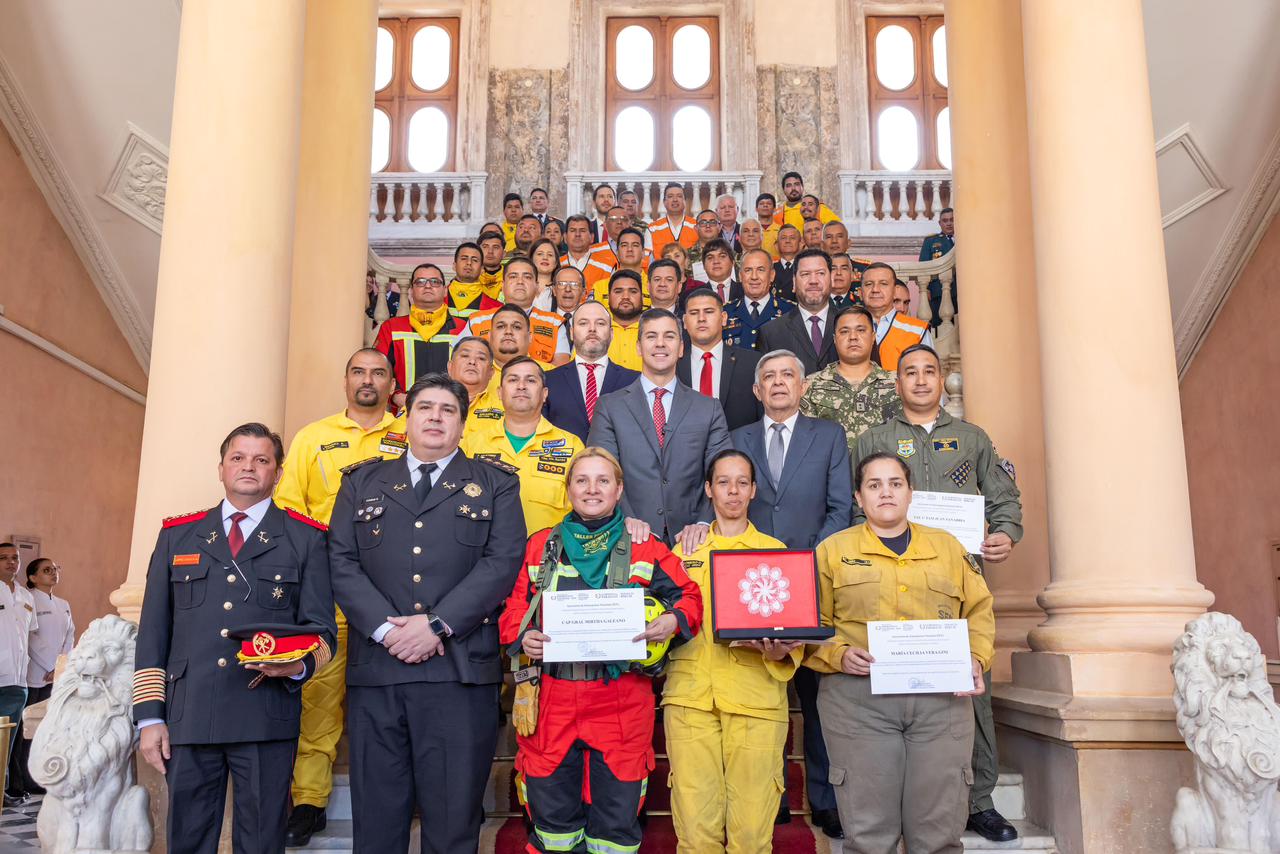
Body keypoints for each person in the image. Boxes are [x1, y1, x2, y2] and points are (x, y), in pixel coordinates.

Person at [329, 374, 525, 854]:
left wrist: (437, 625)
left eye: (447, 410)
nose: (435, 417)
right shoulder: (362, 482)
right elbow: (340, 561)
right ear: (406, 417)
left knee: (453, 821)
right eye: (425, 407)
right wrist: (385, 630)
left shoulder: (496, 484)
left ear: (463, 423)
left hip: (458, 675)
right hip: (379, 671)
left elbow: (502, 563)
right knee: (377, 823)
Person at [134, 423, 337, 854]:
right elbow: (153, 632)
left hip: (265, 713)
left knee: (261, 841)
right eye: (238, 458)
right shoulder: (178, 535)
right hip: (190, 713)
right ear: (221, 468)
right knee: (188, 839)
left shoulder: (306, 538)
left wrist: (297, 666)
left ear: (277, 473)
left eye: (262, 460)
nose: (249, 467)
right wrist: (150, 718)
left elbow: (324, 635)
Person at [854, 344, 1023, 844]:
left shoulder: (972, 438)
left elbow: (1003, 497)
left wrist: (1005, 533)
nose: (922, 379)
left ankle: (979, 801)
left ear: (941, 379)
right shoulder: (875, 440)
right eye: (910, 372)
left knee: (969, 685)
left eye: (930, 370)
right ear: (897, 382)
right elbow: (853, 502)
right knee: (896, 689)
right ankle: (902, 802)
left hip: (956, 582)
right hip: (889, 578)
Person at [500, 448, 702, 854]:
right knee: (552, 824)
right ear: (568, 489)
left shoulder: (646, 546)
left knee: (615, 826)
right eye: (582, 480)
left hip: (622, 702)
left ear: (619, 490)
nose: (592, 489)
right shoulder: (540, 546)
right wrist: (523, 635)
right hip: (552, 700)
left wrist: (671, 621)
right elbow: (513, 607)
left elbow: (690, 597)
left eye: (603, 480)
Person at [806, 452, 994, 853]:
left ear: (911, 493)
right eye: (874, 485)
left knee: (938, 832)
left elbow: (979, 610)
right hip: (858, 702)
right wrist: (838, 654)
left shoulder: (947, 547)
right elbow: (811, 626)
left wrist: (977, 658)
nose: (886, 492)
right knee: (869, 834)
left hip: (941, 704)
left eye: (895, 483)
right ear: (859, 498)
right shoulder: (832, 551)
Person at [273, 348, 406, 845]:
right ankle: (309, 801)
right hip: (327, 591)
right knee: (318, 697)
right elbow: (289, 511)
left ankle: (407, 791)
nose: (367, 380)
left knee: (398, 700)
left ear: (392, 383)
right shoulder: (313, 437)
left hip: (394, 595)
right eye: (358, 372)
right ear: (346, 380)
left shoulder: (409, 432)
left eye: (378, 373)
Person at [727, 349, 854, 838]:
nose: (778, 383)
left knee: (817, 697)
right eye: (769, 377)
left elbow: (840, 508)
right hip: (751, 585)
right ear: (756, 390)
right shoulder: (737, 438)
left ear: (802, 387)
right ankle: (770, 795)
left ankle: (824, 800)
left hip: (812, 582)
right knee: (762, 693)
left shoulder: (829, 436)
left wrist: (805, 566)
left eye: (787, 375)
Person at [664, 450, 802, 853]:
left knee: (752, 831)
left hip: (756, 700)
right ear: (709, 489)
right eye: (723, 482)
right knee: (695, 828)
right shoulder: (683, 552)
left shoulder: (776, 552)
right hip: (691, 698)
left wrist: (779, 653)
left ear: (754, 490)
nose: (733, 491)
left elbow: (795, 633)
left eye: (742, 482)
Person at [587, 308, 732, 546]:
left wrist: (704, 522)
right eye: (651, 336)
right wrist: (626, 518)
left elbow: (723, 473)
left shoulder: (708, 408)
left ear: (682, 348)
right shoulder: (609, 406)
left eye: (669, 336)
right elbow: (601, 472)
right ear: (638, 347)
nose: (660, 344)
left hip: (694, 541)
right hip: (627, 537)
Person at [460, 357, 584, 536]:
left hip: (548, 551)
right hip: (485, 551)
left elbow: (585, 511)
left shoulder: (572, 445)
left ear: (544, 394)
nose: (521, 386)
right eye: (513, 380)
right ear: (500, 393)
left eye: (531, 380)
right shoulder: (471, 444)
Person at [800, 305, 901, 457]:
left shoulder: (897, 383)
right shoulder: (811, 384)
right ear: (835, 339)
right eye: (844, 331)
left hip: (885, 469)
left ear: (873, 336)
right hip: (831, 470)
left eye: (861, 330)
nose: (853, 337)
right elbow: (805, 439)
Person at [9, 557, 72, 799]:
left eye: (55, 569)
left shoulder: (63, 603)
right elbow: (31, 637)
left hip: (55, 675)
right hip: (33, 673)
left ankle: (39, 776)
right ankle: (19, 781)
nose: (53, 573)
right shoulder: (28, 599)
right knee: (24, 731)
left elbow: (70, 635)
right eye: (47, 570)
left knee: (46, 729)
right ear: (33, 577)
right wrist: (49, 664)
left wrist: (61, 665)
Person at [376, 262, 468, 412]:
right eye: (420, 282)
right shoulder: (391, 328)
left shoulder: (463, 328)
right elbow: (378, 369)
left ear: (445, 290)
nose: (428, 286)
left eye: (435, 281)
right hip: (405, 412)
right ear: (411, 290)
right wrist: (396, 397)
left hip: (450, 411)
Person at [544, 300, 640, 441]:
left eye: (600, 323)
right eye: (583, 323)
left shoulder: (635, 381)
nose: (592, 329)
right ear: (571, 333)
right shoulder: (548, 380)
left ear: (611, 334)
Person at [677, 287, 763, 431]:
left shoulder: (753, 363)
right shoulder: (673, 366)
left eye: (709, 311)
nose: (701, 318)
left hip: (739, 444)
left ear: (723, 318)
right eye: (694, 313)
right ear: (685, 321)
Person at [464, 257, 571, 366]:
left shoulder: (554, 323)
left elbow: (561, 369)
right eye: (513, 276)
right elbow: (462, 362)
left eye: (527, 277)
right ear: (502, 285)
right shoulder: (477, 321)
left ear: (537, 286)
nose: (520, 282)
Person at [0, 548, 44, 805]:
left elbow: (28, 634)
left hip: (17, 680)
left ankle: (2, 789)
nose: (11, 562)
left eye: (15, 558)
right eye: (4, 558)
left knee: (7, 741)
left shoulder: (26, 596)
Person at [756, 248, 839, 375]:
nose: (813, 281)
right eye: (805, 274)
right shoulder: (771, 333)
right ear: (794, 283)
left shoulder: (849, 325)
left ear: (832, 279)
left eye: (820, 273)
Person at [861, 262, 932, 371]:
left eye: (883, 284)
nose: (875, 289)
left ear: (894, 291)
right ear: (861, 291)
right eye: (869, 284)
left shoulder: (918, 330)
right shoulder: (848, 327)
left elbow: (928, 375)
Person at [725, 248, 795, 350]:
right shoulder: (725, 312)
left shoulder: (791, 312)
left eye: (760, 270)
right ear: (740, 276)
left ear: (772, 275)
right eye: (748, 270)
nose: (754, 277)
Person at [919, 206, 957, 326]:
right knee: (939, 327)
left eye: (952, 220)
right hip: (938, 291)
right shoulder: (931, 241)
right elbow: (923, 268)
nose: (949, 223)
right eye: (945, 221)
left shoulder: (965, 239)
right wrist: (927, 289)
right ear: (940, 223)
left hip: (962, 291)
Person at [592, 227, 650, 305]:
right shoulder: (600, 287)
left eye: (635, 245)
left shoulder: (653, 286)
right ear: (617, 253)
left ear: (643, 253)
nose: (629, 249)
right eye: (624, 245)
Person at [448, 242, 504, 319]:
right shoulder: (436, 299)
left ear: (482, 269)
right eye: (464, 258)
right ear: (454, 266)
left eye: (474, 260)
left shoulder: (496, 308)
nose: (469, 263)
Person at [605, 270, 645, 372]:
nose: (626, 297)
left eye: (633, 291)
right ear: (608, 298)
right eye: (618, 291)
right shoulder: (596, 332)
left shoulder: (655, 331)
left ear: (642, 298)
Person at [448, 336, 497, 413]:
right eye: (465, 356)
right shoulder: (432, 401)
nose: (472, 361)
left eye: (481, 358)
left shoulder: (505, 407)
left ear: (491, 373)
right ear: (450, 367)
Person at [774, 172, 839, 231]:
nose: (793, 188)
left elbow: (838, 228)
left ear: (802, 187)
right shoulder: (777, 214)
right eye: (789, 185)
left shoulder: (818, 208)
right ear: (783, 190)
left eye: (796, 184)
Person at [647, 182, 697, 258]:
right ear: (664, 202)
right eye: (670, 196)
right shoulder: (653, 228)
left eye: (679, 196)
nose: (675, 200)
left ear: (684, 201)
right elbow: (646, 259)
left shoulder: (696, 226)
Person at [690, 238, 744, 306]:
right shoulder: (694, 295)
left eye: (722, 256)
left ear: (732, 262)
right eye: (710, 257)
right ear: (704, 265)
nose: (716, 261)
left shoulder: (746, 290)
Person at [529, 237, 562, 311]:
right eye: (540, 254)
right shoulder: (522, 286)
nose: (545, 258)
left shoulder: (562, 289)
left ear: (556, 263)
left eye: (550, 255)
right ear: (531, 259)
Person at [689, 210, 722, 279]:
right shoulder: (686, 256)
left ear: (719, 227)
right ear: (696, 228)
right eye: (703, 223)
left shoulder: (730, 254)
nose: (708, 226)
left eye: (712, 222)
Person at [772, 224, 801, 302]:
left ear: (800, 244)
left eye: (792, 238)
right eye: (783, 238)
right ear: (776, 245)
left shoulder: (805, 269)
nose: (788, 241)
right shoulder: (770, 269)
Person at [755, 193, 782, 259]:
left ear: (774, 209)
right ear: (756, 209)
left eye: (769, 203)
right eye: (761, 203)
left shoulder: (781, 230)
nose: (765, 205)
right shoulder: (751, 230)